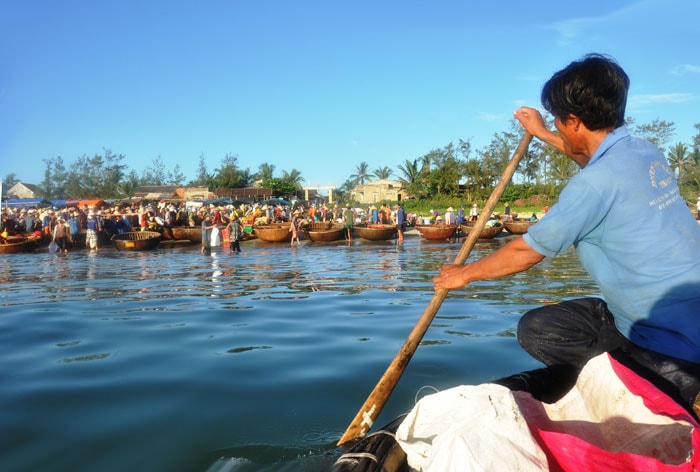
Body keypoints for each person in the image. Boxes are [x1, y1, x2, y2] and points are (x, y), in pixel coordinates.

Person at [433, 53, 700, 417]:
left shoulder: (591, 186)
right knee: (539, 326)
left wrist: (462, 274)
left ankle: (630, 378)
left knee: (551, 346)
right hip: (668, 319)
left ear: (574, 120)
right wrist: (542, 133)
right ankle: (615, 367)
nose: (557, 128)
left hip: (669, 347)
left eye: (559, 121)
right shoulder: (643, 151)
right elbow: (592, 157)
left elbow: (527, 252)